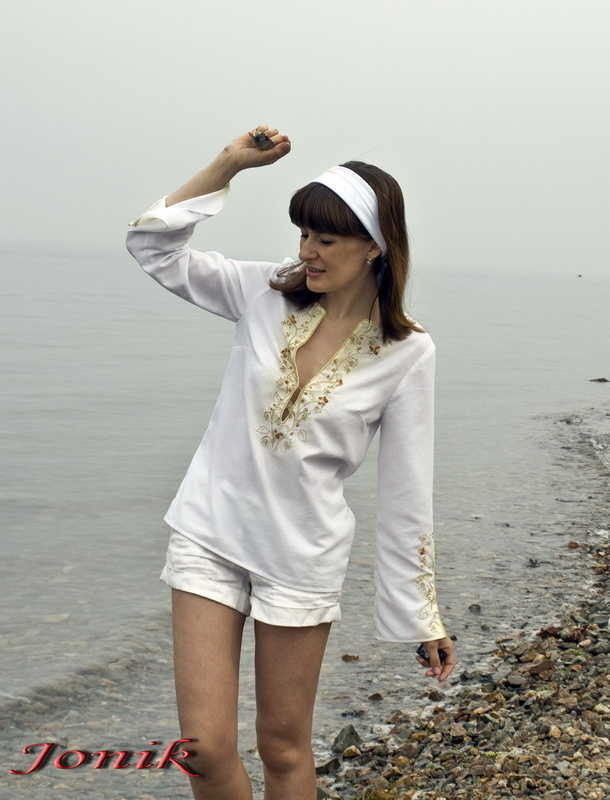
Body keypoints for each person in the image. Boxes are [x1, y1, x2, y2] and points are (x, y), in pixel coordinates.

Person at [125, 125, 458, 800]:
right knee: (205, 749)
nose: (307, 251)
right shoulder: (262, 293)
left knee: (282, 748)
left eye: (325, 239)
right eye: (303, 234)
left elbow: (405, 489)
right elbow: (152, 246)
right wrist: (227, 165)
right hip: (209, 533)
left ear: (374, 245)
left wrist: (422, 614)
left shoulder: (407, 351)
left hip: (301, 558)